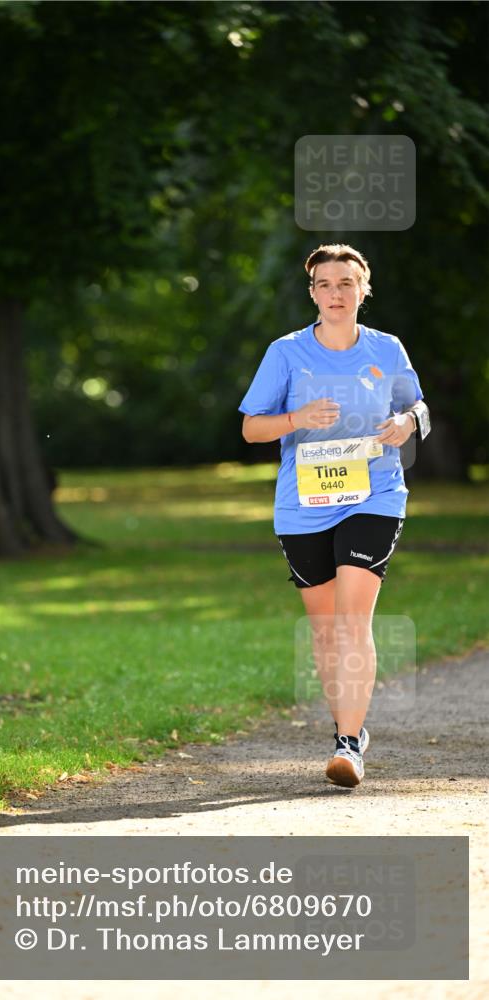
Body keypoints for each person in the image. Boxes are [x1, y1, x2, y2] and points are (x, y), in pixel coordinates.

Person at [238, 244, 430, 788]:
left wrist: (407, 424)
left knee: (352, 620)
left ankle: (348, 745)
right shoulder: (286, 352)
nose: (336, 293)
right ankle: (349, 725)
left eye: (346, 283)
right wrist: (295, 417)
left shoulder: (387, 349)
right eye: (325, 284)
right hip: (304, 504)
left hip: (375, 493)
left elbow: (418, 405)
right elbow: (252, 427)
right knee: (325, 631)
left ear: (363, 290)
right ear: (313, 293)